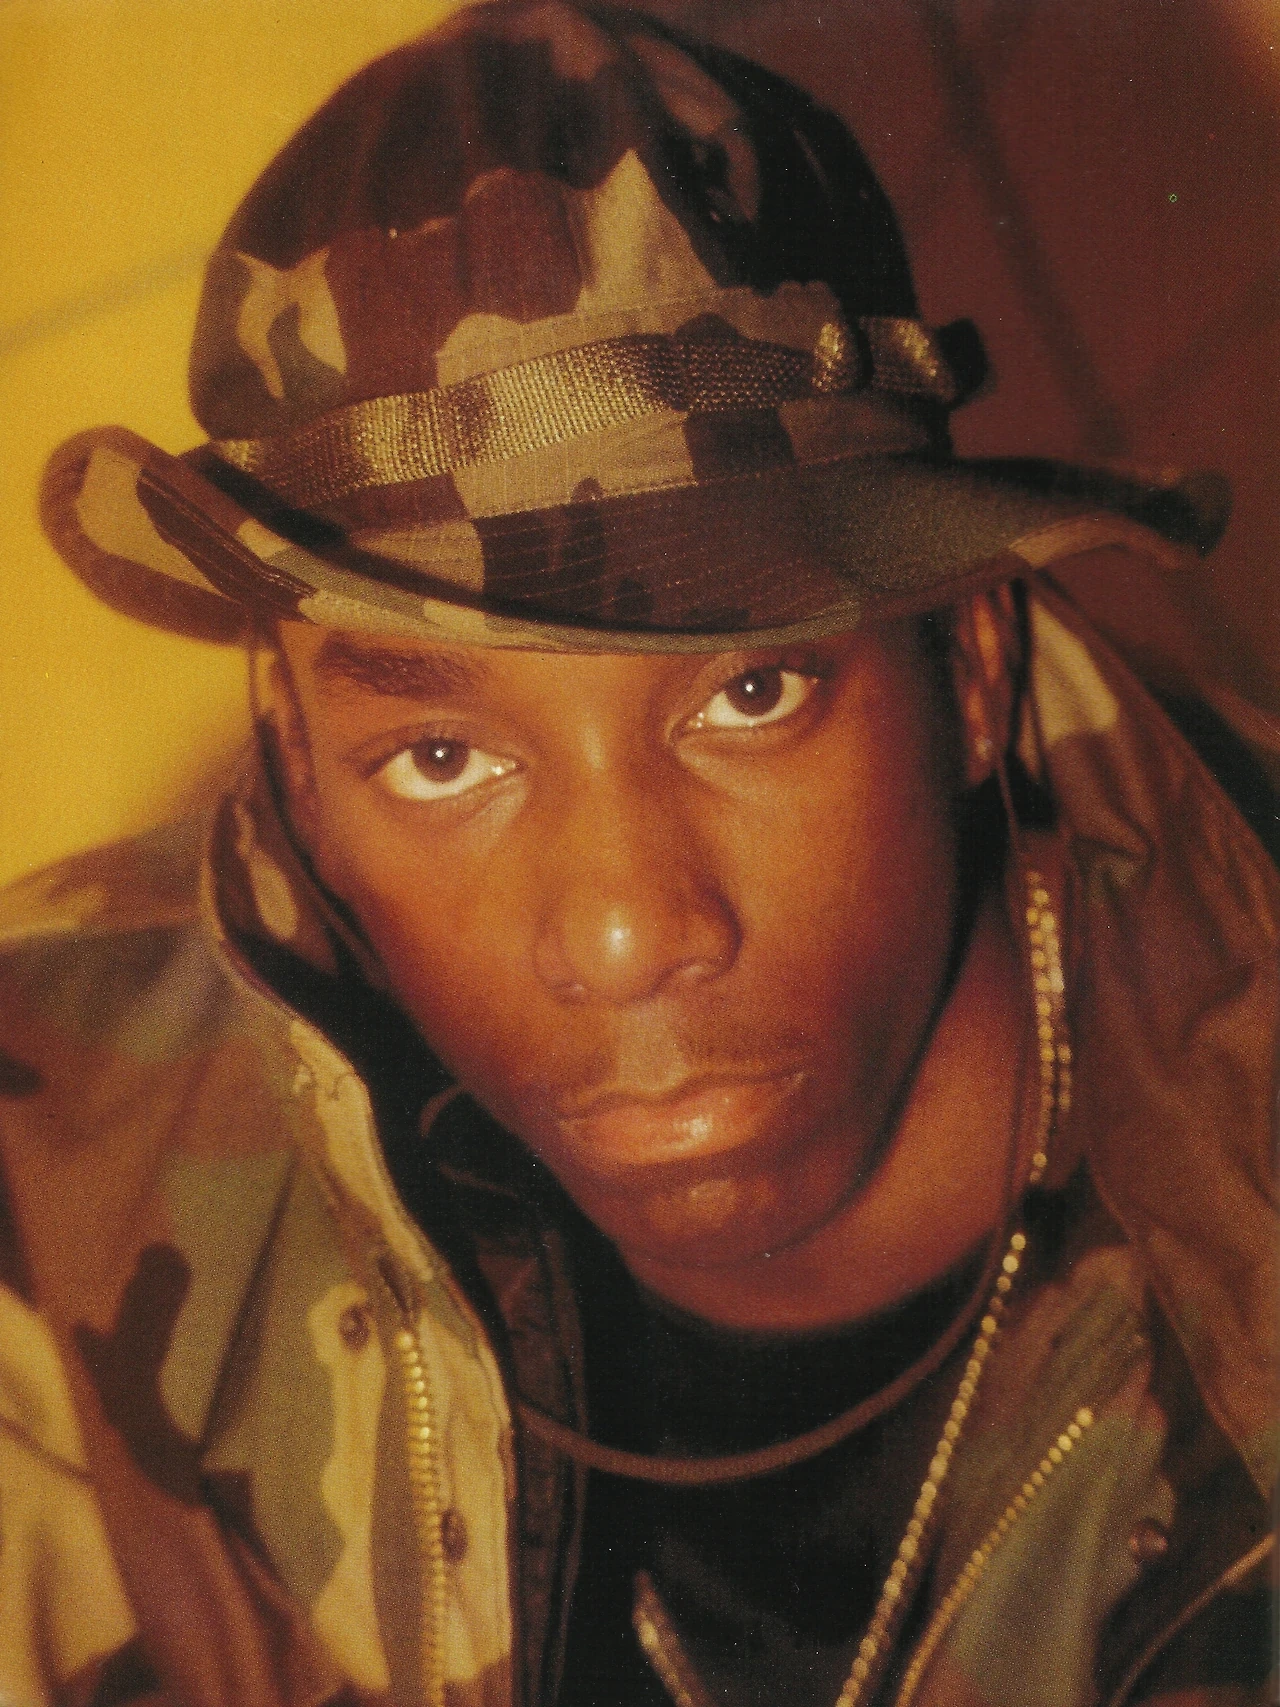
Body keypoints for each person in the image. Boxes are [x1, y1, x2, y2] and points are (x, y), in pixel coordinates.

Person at [0, 4, 1274, 1704]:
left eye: (751, 693)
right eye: (442, 758)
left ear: (969, 665)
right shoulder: (44, 1166)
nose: (622, 929)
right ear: (297, 758)